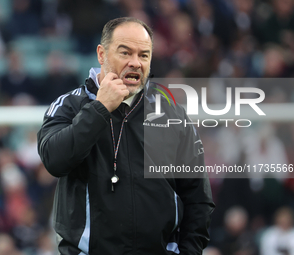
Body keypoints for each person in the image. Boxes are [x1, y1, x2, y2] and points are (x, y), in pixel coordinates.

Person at [37, 17, 215, 255]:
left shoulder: (171, 113)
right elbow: (54, 160)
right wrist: (100, 108)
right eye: (126, 53)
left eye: (144, 55)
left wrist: (188, 251)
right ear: (102, 54)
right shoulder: (69, 105)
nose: (136, 63)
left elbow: (197, 196)